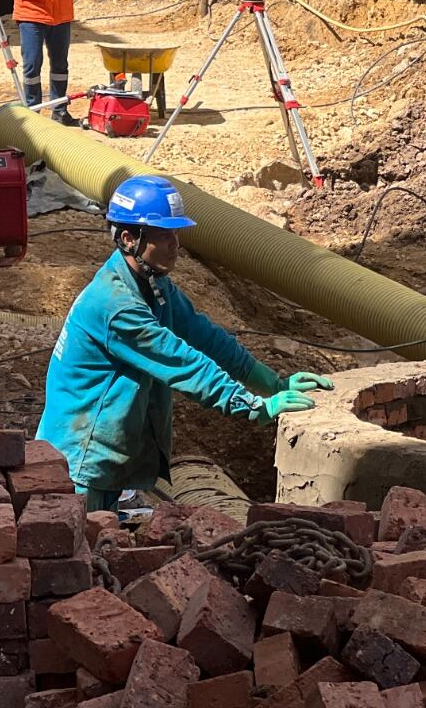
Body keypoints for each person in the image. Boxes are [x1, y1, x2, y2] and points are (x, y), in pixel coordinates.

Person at [37, 174, 333, 512]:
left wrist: (273, 383)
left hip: (107, 454)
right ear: (128, 239)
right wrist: (254, 407)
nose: (174, 244)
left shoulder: (153, 286)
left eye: (175, 232)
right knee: (84, 552)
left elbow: (208, 339)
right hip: (81, 459)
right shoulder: (115, 305)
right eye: (163, 235)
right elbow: (183, 363)